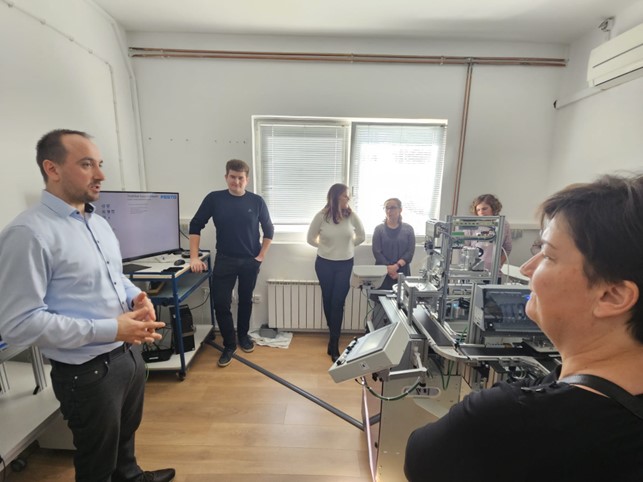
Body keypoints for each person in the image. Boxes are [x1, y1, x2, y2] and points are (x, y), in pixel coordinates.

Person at [405, 174, 643, 482]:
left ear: (612, 296)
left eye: (549, 255)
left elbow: (418, 459)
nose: (528, 268)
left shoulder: (507, 418)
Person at [0, 129, 175, 482]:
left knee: (124, 436)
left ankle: (130, 476)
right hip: (87, 372)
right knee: (98, 459)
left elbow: (115, 275)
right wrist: (113, 328)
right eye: (86, 164)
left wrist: (135, 297)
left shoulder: (98, 222)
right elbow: (18, 324)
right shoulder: (29, 234)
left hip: (127, 354)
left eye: (100, 164)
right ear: (52, 168)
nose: (101, 175)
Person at [189, 159, 274, 368]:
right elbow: (195, 224)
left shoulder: (257, 201)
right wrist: (193, 257)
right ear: (226, 177)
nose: (236, 181)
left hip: (250, 261)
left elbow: (269, 230)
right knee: (221, 303)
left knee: (245, 300)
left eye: (240, 178)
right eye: (232, 177)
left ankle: (243, 336)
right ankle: (229, 344)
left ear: (247, 180)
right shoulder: (214, 199)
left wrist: (261, 256)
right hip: (225, 259)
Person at [307, 183, 365, 361]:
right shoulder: (321, 216)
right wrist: (325, 247)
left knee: (338, 302)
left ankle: (334, 343)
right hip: (324, 264)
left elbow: (361, 236)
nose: (348, 198)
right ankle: (333, 336)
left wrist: (348, 246)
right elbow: (310, 239)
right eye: (345, 195)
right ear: (335, 197)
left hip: (345, 264)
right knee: (328, 299)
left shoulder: (351, 216)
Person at [372, 197, 415, 291]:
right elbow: (377, 252)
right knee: (380, 299)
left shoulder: (408, 229)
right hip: (383, 273)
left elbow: (410, 252)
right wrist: (389, 269)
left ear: (400, 210)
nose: (389, 211)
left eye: (392, 208)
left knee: (402, 298)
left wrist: (396, 266)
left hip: (401, 272)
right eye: (386, 208)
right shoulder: (379, 229)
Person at [470, 193, 512, 268]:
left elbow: (507, 248)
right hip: (474, 268)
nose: (481, 212)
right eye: (478, 210)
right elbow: (464, 247)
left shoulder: (503, 225)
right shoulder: (472, 225)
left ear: (493, 208)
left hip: (493, 269)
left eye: (484, 209)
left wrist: (498, 265)